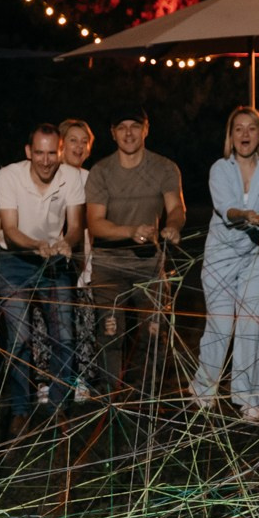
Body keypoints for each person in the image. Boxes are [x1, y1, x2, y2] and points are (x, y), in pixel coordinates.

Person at [194, 108, 259, 420]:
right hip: (221, 256)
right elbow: (226, 209)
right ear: (231, 135)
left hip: (258, 255)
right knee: (221, 324)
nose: (245, 135)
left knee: (251, 324)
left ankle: (249, 398)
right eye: (238, 129)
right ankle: (203, 389)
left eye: (251, 129)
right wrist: (246, 215)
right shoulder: (220, 169)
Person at [85, 110, 185, 396]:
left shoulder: (165, 168)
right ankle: (110, 397)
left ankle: (147, 395)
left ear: (146, 129)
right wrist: (131, 231)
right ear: (113, 132)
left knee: (154, 330)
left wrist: (173, 226)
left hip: (149, 263)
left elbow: (176, 208)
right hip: (108, 263)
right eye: (122, 128)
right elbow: (96, 224)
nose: (129, 134)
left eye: (135, 127)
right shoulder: (101, 171)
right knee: (110, 333)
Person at [0, 124, 87, 434]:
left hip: (55, 262)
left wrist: (67, 242)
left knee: (65, 337)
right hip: (16, 261)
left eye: (52, 153)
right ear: (28, 152)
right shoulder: (8, 176)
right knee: (18, 340)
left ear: (59, 152)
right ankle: (20, 409)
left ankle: (61, 408)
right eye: (39, 153)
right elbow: (9, 229)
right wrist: (36, 245)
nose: (46, 161)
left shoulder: (71, 177)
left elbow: (75, 225)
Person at [58, 119, 99, 399]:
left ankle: (82, 378)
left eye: (84, 141)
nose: (79, 146)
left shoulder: (92, 178)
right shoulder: (50, 175)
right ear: (61, 144)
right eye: (73, 139)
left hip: (85, 259)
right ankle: (50, 379)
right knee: (53, 320)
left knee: (84, 321)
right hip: (54, 258)